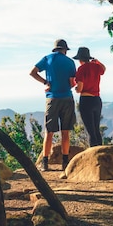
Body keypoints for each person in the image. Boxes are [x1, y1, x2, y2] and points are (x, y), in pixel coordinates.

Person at [29, 39, 77, 171]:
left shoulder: (47, 59)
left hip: (52, 98)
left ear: (55, 49)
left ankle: (45, 163)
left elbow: (32, 72)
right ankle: (65, 163)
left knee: (49, 131)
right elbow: (72, 83)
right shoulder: (70, 62)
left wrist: (46, 82)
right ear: (65, 50)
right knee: (65, 131)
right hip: (67, 98)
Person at [73, 47, 106, 147]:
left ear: (80, 59)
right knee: (96, 129)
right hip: (97, 100)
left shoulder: (81, 69)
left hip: (86, 100)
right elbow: (104, 69)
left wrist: (76, 89)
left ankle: (94, 154)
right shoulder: (96, 67)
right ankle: (100, 150)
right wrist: (97, 61)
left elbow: (80, 88)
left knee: (91, 131)